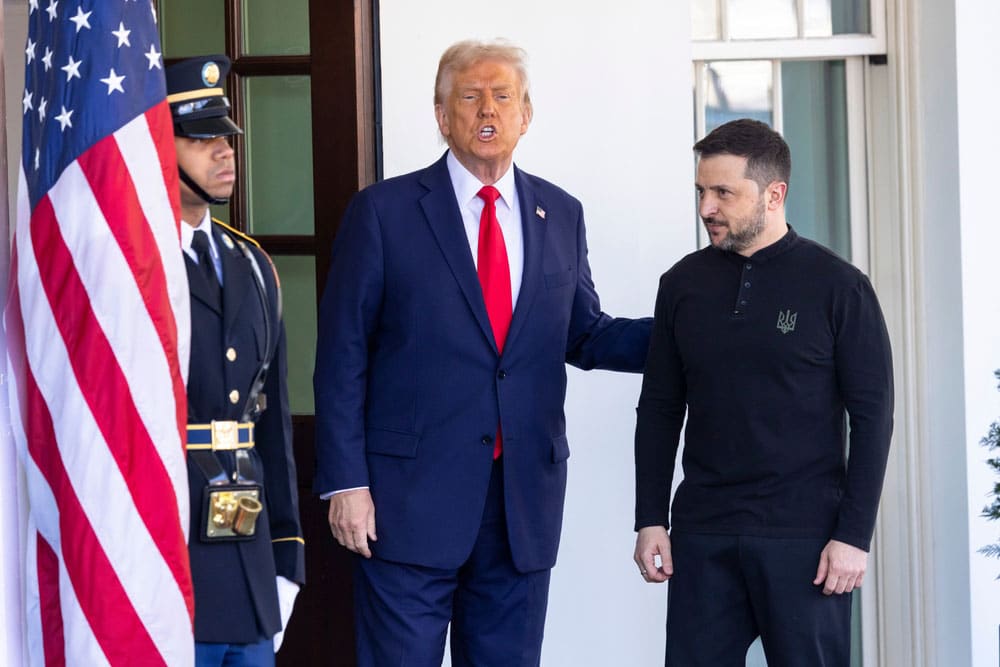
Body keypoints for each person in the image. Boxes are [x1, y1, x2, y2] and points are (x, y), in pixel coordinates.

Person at [313, 39, 652, 666]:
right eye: (470, 97)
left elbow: (583, 333)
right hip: (404, 506)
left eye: (502, 96)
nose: (487, 109)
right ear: (442, 117)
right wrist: (346, 482)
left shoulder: (561, 214)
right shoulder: (384, 213)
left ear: (527, 114)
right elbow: (341, 357)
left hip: (520, 505)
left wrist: (690, 335)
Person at [633, 118, 894, 666]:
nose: (707, 207)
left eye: (723, 192)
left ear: (774, 194)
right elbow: (660, 408)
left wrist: (853, 536)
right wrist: (650, 518)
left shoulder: (839, 287)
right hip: (704, 533)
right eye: (702, 191)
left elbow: (874, 418)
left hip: (806, 540)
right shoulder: (681, 285)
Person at [167, 55, 305, 666]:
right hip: (166, 554)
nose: (224, 151)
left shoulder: (251, 263)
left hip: (246, 555)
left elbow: (269, 424)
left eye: (226, 136)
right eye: (201, 138)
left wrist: (287, 556)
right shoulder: (131, 262)